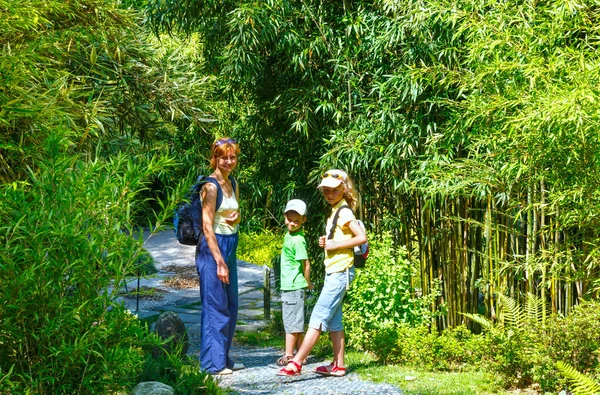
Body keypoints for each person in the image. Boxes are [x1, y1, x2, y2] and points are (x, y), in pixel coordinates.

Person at [277, 169, 367, 377]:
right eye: (326, 190)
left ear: (343, 189)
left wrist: (335, 244)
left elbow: (361, 237)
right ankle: (338, 365)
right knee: (334, 321)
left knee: (317, 317)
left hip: (340, 272)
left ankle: (296, 363)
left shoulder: (344, 211)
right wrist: (327, 242)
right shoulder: (336, 210)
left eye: (333, 190)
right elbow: (339, 239)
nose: (329, 194)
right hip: (335, 271)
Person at [195, 137, 244, 375]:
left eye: (232, 157)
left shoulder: (232, 182)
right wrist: (219, 262)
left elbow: (233, 212)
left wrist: (237, 217)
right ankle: (212, 364)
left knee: (231, 304)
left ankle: (223, 358)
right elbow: (207, 227)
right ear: (215, 158)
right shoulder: (210, 187)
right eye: (224, 157)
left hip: (230, 245)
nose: (229, 161)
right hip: (212, 249)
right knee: (215, 305)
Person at [276, 199, 313, 367]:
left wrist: (307, 283)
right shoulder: (289, 235)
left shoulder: (298, 240)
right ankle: (301, 355)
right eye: (290, 219)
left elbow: (306, 264)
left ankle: (289, 355)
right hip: (289, 285)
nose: (292, 223)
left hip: (294, 286)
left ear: (304, 220)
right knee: (295, 322)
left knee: (291, 324)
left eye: (297, 220)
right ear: (285, 217)